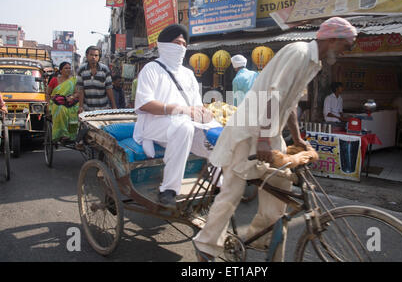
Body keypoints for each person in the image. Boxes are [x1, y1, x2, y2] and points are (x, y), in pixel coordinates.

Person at [192, 17, 358, 262]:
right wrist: (261, 141)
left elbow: (289, 104)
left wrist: (299, 139)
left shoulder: (314, 63)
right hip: (249, 133)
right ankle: (206, 246)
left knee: (280, 191)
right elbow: (273, 97)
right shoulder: (299, 52)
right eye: (347, 45)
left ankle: (260, 240)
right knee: (232, 194)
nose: (346, 52)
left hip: (270, 134)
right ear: (332, 39)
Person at [133, 24, 222, 209]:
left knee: (217, 135)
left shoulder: (188, 74)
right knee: (184, 127)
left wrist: (204, 113)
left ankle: (219, 185)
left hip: (184, 124)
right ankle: (168, 190)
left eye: (184, 44)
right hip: (155, 124)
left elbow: (196, 104)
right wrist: (181, 110)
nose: (181, 47)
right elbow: (144, 104)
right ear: (164, 45)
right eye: (176, 42)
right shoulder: (151, 69)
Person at [76, 46, 117, 113]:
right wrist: (80, 106)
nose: (93, 57)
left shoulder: (105, 69)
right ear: (87, 56)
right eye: (91, 55)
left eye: (96, 55)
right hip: (87, 109)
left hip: (103, 108)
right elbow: (81, 90)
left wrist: (114, 106)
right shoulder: (81, 70)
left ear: (99, 57)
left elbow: (109, 89)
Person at [47, 62, 79, 142]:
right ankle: (63, 134)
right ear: (61, 70)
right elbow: (48, 93)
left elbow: (77, 93)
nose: (68, 70)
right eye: (66, 68)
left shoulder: (73, 80)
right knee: (61, 109)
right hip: (56, 102)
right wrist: (47, 105)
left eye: (69, 68)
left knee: (78, 109)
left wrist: (72, 97)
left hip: (70, 102)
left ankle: (74, 135)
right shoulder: (54, 80)